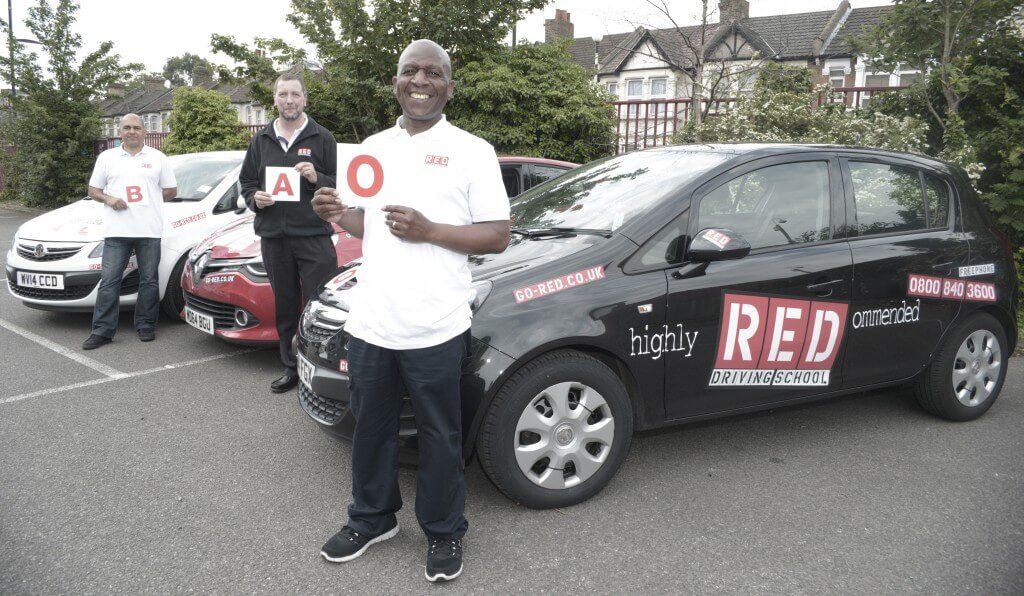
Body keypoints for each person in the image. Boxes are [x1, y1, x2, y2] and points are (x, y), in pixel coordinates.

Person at [311, 39, 510, 583]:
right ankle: (372, 519)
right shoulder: (373, 147)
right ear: (395, 81)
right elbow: (367, 225)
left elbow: (497, 235)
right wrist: (335, 212)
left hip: (435, 323)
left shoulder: (473, 150)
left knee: (439, 436)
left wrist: (430, 231)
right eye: (409, 71)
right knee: (370, 431)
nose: (420, 81)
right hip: (373, 320)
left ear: (449, 85)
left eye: (433, 73)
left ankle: (444, 531)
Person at [239, 72, 339, 393]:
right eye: (283, 95)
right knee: (285, 304)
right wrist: (255, 198)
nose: (290, 100)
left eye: (295, 94)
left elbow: (340, 184)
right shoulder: (261, 139)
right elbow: (247, 183)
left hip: (314, 236)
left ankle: (320, 370)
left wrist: (317, 178)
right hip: (275, 238)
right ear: (275, 99)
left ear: (305, 99)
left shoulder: (323, 138)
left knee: (318, 305)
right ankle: (290, 367)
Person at [82, 114, 177, 350]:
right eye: (126, 127)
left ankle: (146, 325)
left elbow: (171, 190)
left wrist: (150, 200)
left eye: (136, 127)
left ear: (144, 132)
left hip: (149, 230)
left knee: (149, 280)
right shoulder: (107, 157)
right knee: (110, 281)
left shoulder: (158, 158)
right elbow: (93, 189)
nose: (131, 131)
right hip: (116, 231)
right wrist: (109, 199)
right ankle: (102, 331)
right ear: (120, 131)